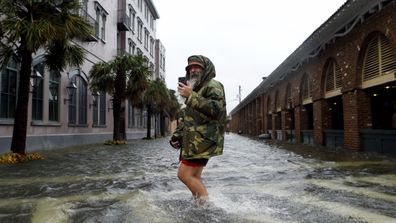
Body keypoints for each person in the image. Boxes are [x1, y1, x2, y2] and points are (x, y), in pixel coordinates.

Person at [170, 55, 226, 204]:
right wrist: (177, 136)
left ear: (205, 68)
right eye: (190, 68)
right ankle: (200, 206)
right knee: (193, 176)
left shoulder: (213, 85)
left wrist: (191, 96)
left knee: (184, 175)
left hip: (203, 141)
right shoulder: (196, 88)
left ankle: (207, 209)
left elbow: (216, 110)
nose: (193, 70)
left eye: (197, 67)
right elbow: (191, 119)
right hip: (195, 142)